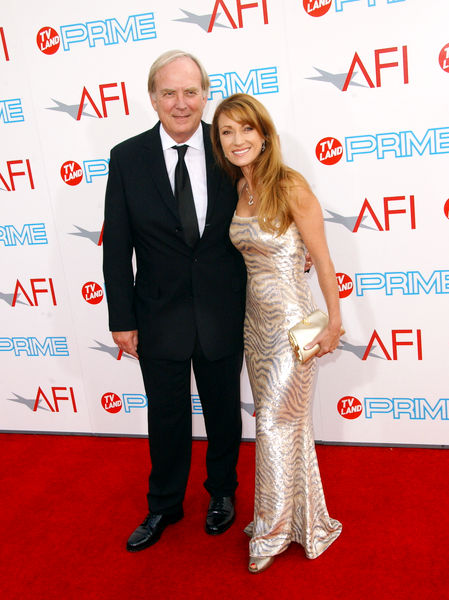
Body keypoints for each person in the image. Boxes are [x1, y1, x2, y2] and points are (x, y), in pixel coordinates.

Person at [102, 51, 247, 552]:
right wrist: (121, 317)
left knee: (224, 411)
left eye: (191, 92)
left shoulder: (231, 146)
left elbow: (266, 209)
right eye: (169, 92)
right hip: (157, 313)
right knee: (164, 417)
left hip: (223, 309)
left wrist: (296, 252)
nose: (181, 103)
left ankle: (222, 494)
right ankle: (163, 505)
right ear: (152, 97)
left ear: (205, 94)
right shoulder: (127, 157)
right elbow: (117, 244)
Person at [211, 93, 343, 573]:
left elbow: (324, 261)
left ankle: (269, 531)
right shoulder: (237, 190)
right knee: (288, 426)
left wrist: (334, 321)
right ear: (219, 141)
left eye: (247, 129)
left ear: (264, 135)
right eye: (227, 132)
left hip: (292, 327)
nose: (238, 139)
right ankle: (301, 519)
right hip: (255, 326)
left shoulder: (289, 185)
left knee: (270, 424)